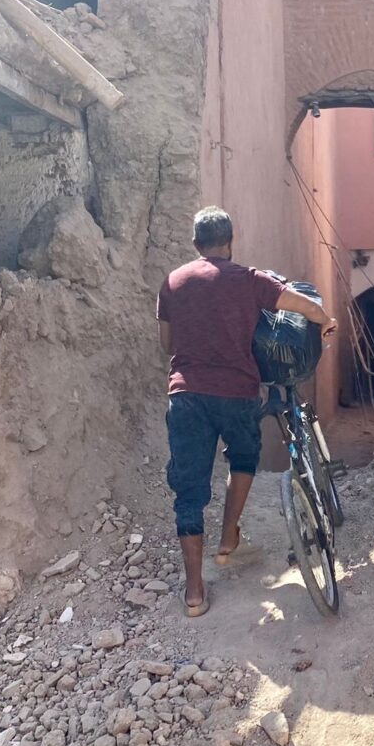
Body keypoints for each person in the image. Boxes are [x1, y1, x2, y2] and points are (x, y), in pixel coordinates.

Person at [157, 206, 336, 617]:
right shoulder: (248, 278)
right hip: (236, 392)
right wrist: (326, 321)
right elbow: (300, 304)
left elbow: (166, 343)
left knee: (189, 490)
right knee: (243, 457)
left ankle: (195, 591)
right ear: (230, 242)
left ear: (195, 245)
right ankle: (227, 538)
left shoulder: (173, 282)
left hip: (185, 395)